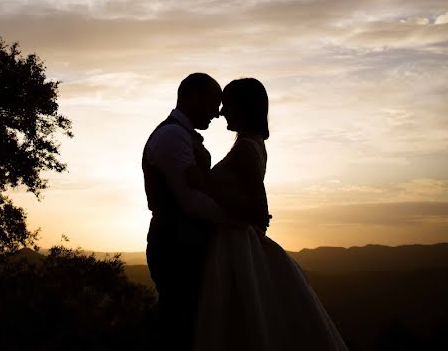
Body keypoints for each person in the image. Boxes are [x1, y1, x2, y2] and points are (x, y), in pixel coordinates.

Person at [189, 78, 347, 351]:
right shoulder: (252, 144)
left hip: (234, 243)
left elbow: (257, 210)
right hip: (232, 240)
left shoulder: (247, 148)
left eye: (227, 105)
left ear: (243, 107)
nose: (221, 112)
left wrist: (203, 184)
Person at [142, 73, 253, 350]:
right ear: (193, 97)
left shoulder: (181, 136)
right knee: (179, 325)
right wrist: (241, 220)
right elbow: (190, 201)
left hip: (188, 244)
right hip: (176, 246)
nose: (217, 114)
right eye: (214, 103)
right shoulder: (171, 136)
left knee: (194, 324)